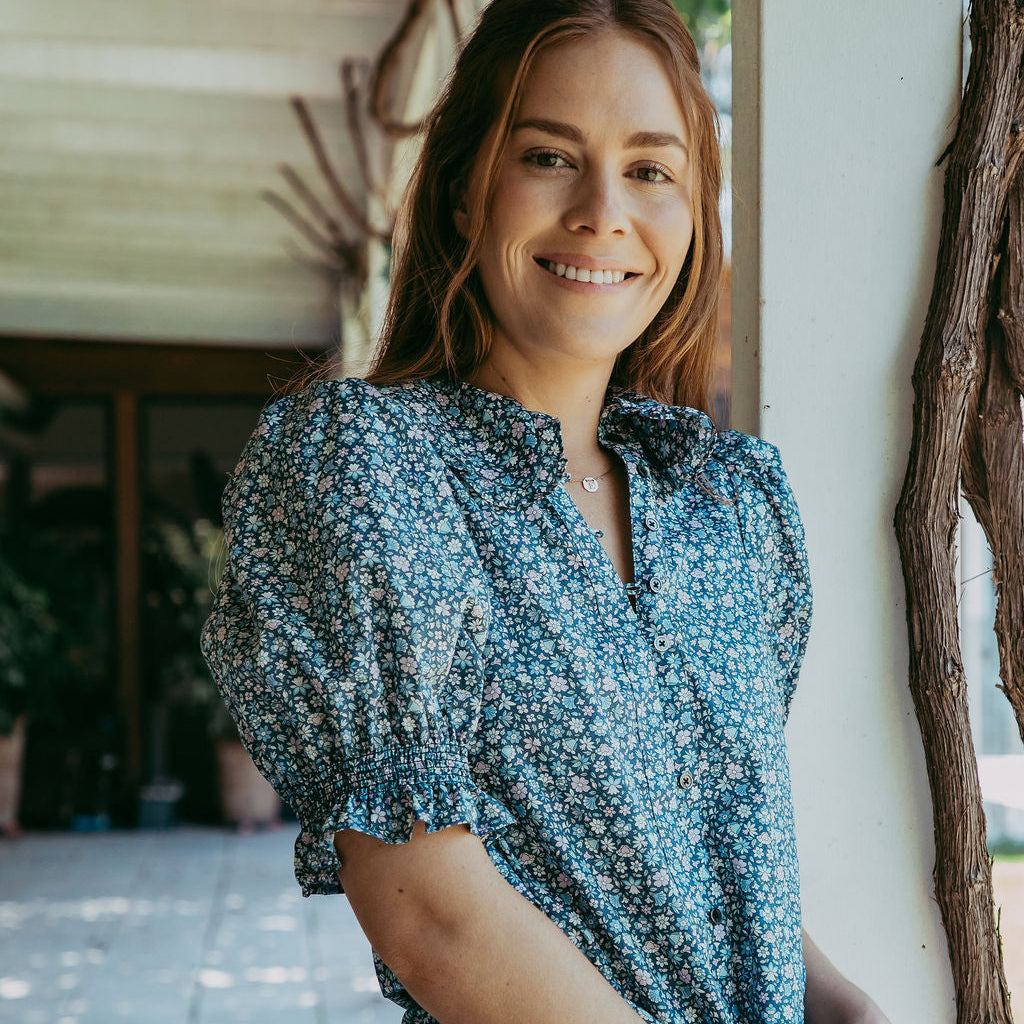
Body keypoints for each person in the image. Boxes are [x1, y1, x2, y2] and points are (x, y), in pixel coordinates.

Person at [200, 1, 893, 1022]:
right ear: (460, 189)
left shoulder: (732, 505)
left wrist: (847, 1008)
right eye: (549, 156)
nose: (603, 210)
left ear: (695, 211)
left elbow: (711, 878)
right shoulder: (373, 469)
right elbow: (433, 913)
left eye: (651, 169)